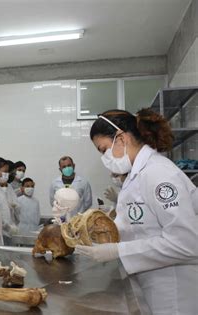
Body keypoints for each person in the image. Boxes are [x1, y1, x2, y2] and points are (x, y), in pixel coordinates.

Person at [76, 109, 198, 314]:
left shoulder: (158, 173)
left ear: (121, 139)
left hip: (173, 291)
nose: (104, 158)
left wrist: (118, 251)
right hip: (152, 282)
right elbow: (138, 225)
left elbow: (186, 243)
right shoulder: (137, 175)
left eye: (103, 149)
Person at [0, 157, 20, 244]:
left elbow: (14, 208)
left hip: (8, 233)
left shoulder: (8, 187)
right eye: (5, 172)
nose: (7, 174)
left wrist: (14, 206)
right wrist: (7, 226)